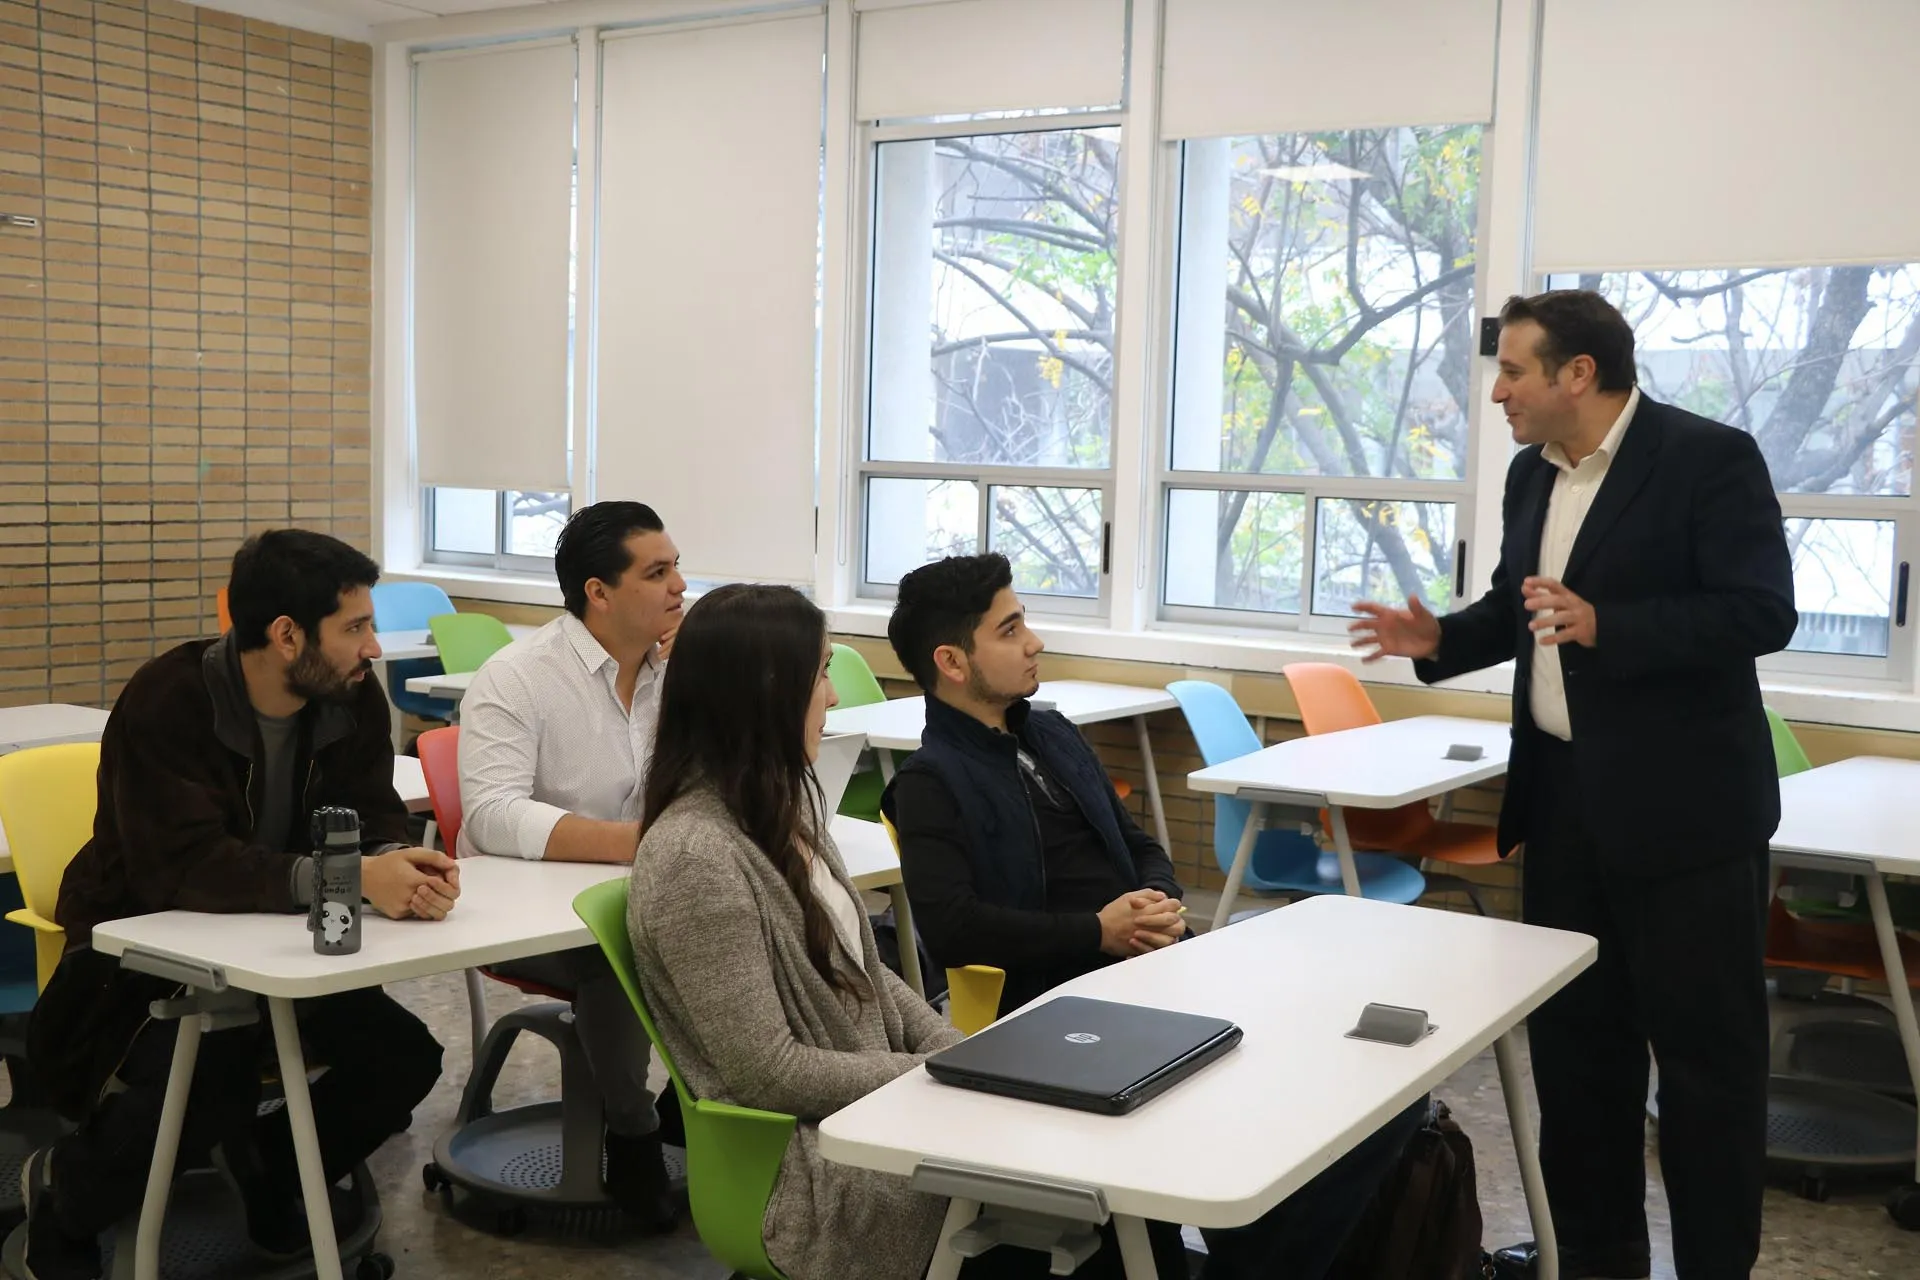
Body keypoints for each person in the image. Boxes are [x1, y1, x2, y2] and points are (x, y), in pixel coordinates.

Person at [1350, 290, 1797, 1280]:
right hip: (1565, 815)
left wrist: (1615, 627)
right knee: (1580, 1071)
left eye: (1513, 371)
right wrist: (1440, 641)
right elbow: (1522, 606)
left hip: (1690, 827)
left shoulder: (1708, 458)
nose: (1499, 392)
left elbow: (1761, 610)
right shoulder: (1528, 475)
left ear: (1577, 373)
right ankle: (1598, 1263)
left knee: (1704, 1078)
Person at [883, 552, 1426, 1280]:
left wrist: (1160, 901)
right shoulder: (931, 783)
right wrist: (1098, 931)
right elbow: (951, 928)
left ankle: (1255, 1253)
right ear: (951, 661)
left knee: (1384, 1099)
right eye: (1010, 630)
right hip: (1070, 1013)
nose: (1035, 641)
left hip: (1161, 967)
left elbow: (1137, 843)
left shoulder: (1050, 731)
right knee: (1311, 1120)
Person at [24, 531, 456, 1280]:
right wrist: (344, 882)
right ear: (287, 637)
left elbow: (376, 814)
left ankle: (273, 1169)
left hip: (284, 949)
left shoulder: (349, 696)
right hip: (140, 958)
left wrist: (395, 862)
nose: (375, 648)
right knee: (208, 1080)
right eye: (355, 627)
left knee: (404, 1059)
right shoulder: (169, 699)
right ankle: (65, 1197)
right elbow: (181, 870)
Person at [626, 583, 969, 1280]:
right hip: (813, 1174)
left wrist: (956, 1054)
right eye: (821, 674)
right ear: (766, 693)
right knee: (1062, 1214)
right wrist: (927, 1078)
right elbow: (767, 1072)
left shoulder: (785, 811)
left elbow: (869, 975)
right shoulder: (698, 857)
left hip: (868, 1114)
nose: (834, 696)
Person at [456, 500, 686, 1226]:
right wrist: (631, 839)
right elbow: (490, 814)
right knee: (619, 955)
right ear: (598, 591)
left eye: (677, 566)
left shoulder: (674, 673)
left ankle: (690, 1113)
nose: (680, 585)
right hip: (529, 916)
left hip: (647, 891)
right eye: (658, 572)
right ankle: (635, 1131)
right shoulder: (518, 676)